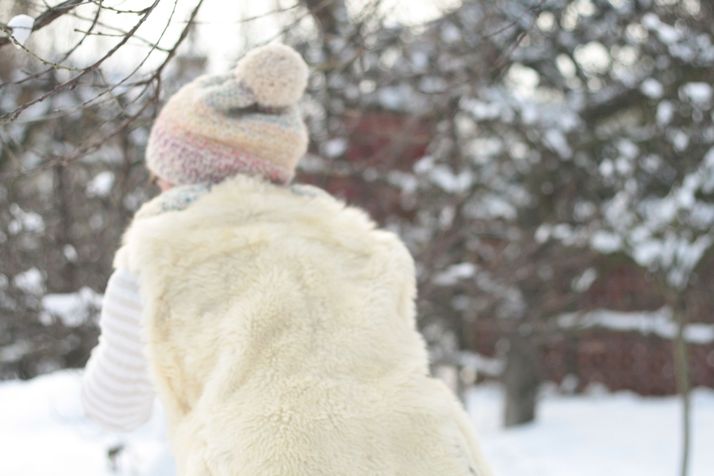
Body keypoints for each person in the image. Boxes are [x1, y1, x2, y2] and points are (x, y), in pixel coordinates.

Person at [82, 43, 492, 476]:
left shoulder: (157, 259)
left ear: (178, 174)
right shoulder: (367, 247)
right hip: (427, 457)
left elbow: (115, 407)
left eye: (160, 173)